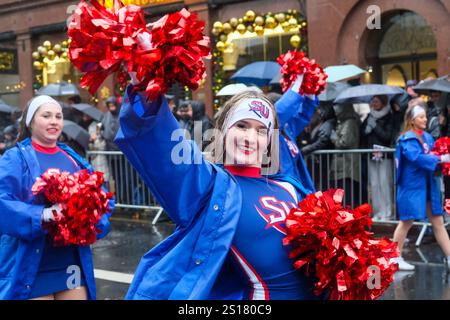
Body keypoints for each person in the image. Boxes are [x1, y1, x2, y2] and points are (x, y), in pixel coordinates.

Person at [114, 82, 321, 299]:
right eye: (241, 126)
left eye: (261, 131)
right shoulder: (211, 185)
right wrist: (147, 90)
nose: (250, 138)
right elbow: (165, 147)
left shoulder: (290, 187)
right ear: (222, 131)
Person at [0, 95, 113, 300]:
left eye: (58, 116)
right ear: (31, 121)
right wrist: (43, 215)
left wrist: (89, 219)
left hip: (70, 262)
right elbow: (3, 200)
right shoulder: (14, 157)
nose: (54, 121)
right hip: (30, 264)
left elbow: (102, 198)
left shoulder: (73, 157)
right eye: (46, 115)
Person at [392, 103, 450, 271]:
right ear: (412, 120)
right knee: (406, 221)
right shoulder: (406, 139)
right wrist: (440, 159)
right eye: (421, 117)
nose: (425, 119)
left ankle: (449, 256)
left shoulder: (428, 137)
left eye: (425, 116)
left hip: (428, 185)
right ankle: (394, 258)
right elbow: (416, 158)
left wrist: (442, 162)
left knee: (438, 221)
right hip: (412, 186)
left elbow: (432, 156)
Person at [269, 75, 319, 193]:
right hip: (281, 188)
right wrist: (297, 86)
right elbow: (278, 114)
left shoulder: (287, 129)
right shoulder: (269, 130)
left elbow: (303, 116)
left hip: (296, 185)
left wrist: (309, 94)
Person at [361, 95, 394, 221]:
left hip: (384, 155)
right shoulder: (369, 116)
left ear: (383, 102)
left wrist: (375, 126)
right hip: (371, 155)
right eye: (372, 101)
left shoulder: (389, 117)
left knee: (384, 183)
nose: (374, 103)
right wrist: (367, 127)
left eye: (376, 101)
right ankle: (378, 212)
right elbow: (363, 134)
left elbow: (387, 136)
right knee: (374, 184)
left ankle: (387, 212)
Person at [330, 103, 361, 207]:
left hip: (347, 166)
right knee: (340, 196)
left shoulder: (349, 123)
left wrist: (334, 138)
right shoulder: (343, 122)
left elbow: (345, 142)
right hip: (342, 166)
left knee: (347, 196)